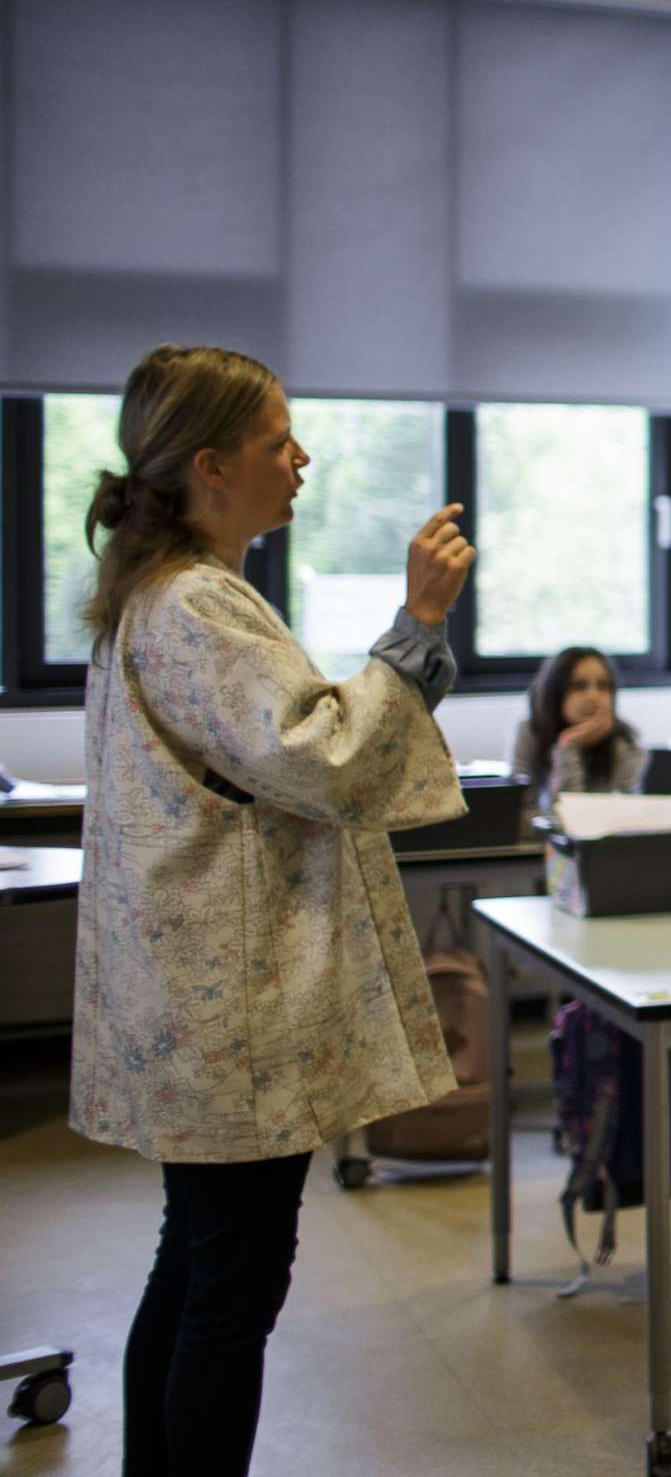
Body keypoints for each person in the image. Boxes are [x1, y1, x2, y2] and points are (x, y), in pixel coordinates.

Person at [71, 345, 475, 1477]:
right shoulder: (197, 602)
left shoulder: (152, 593)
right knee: (231, 1290)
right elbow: (327, 755)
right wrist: (418, 624)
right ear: (209, 466)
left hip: (188, 999)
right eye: (275, 442)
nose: (301, 461)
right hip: (231, 1014)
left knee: (193, 1263)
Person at [511, 645, 646, 827]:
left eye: (603, 686)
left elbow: (617, 821)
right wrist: (567, 747)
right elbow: (521, 816)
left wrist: (568, 747)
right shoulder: (530, 731)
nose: (593, 696)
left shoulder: (626, 744)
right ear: (556, 693)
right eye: (579, 686)